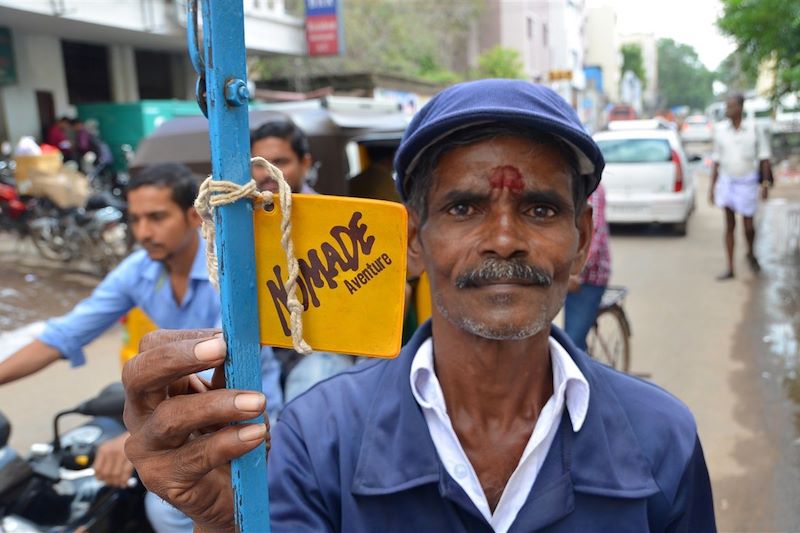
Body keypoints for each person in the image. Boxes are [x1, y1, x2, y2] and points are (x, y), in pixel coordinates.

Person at [122, 80, 716, 532]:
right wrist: (230, 521)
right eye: (463, 208)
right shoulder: (317, 439)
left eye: (540, 209)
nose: (505, 239)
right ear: (411, 242)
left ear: (583, 239)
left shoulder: (662, 438)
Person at [0, 162, 282, 532]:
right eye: (135, 219)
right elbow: (65, 333)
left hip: (251, 416)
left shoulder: (229, 270)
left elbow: (218, 363)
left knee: (168, 511)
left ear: (193, 216)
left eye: (156, 217)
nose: (143, 232)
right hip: (177, 414)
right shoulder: (140, 269)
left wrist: (135, 438)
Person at [250, 118, 356, 401]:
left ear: (305, 163)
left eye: (280, 161)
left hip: (318, 354)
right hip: (259, 353)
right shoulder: (242, 223)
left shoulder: (334, 221)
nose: (268, 172)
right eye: (260, 163)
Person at [710, 93, 773, 280]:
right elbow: (716, 160)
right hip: (727, 182)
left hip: (747, 182)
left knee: (748, 226)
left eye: (730, 107)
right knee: (729, 225)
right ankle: (730, 267)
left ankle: (750, 253)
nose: (727, 110)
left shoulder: (753, 129)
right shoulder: (721, 131)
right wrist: (712, 187)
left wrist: (765, 183)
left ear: (740, 108)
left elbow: (764, 158)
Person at [564, 183, 611, 351]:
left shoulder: (593, 189)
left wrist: (575, 272)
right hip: (560, 271)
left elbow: (594, 233)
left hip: (588, 277)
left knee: (572, 342)